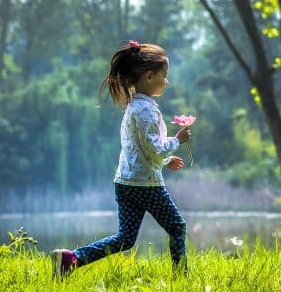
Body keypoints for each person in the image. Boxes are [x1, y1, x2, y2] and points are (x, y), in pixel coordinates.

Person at [49, 41, 192, 277]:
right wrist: (177, 140)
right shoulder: (146, 110)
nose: (166, 81)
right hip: (146, 186)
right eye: (164, 75)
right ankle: (181, 278)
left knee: (125, 238)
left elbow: (138, 149)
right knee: (177, 227)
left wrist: (167, 161)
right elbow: (154, 148)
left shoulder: (133, 107)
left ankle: (71, 259)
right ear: (148, 76)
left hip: (126, 183)